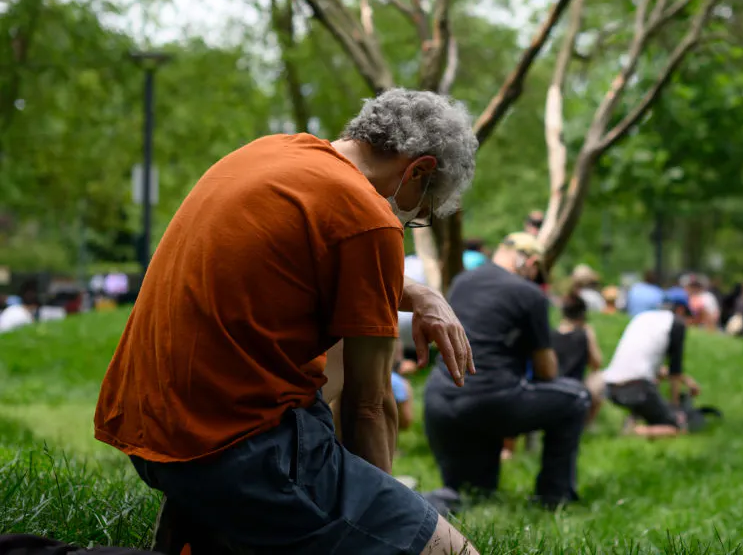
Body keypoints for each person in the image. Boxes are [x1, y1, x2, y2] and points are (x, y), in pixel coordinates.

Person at [93, 89, 480, 555]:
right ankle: (253, 507)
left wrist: (419, 292)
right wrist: (373, 521)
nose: (407, 220)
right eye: (420, 213)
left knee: (336, 356)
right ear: (419, 169)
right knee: (455, 553)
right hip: (232, 450)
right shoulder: (369, 215)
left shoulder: (270, 153)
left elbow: (322, 256)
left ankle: (205, 517)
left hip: (149, 431)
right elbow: (369, 406)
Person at [423, 232, 590, 509]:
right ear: (531, 263)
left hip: (440, 400)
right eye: (537, 274)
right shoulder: (529, 294)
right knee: (576, 397)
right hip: (491, 402)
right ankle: (554, 498)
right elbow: (547, 371)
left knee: (473, 495)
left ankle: (427, 502)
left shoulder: (462, 281)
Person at [599, 288, 701, 438]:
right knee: (676, 428)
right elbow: (675, 370)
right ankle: (633, 433)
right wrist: (675, 409)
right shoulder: (676, 324)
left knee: (650, 390)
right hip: (636, 388)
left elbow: (650, 365)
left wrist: (686, 381)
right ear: (680, 310)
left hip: (610, 386)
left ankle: (634, 420)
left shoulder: (644, 317)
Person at [552, 291, 605, 423]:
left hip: (551, 386)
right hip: (575, 387)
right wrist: (590, 335)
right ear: (582, 314)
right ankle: (587, 424)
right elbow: (597, 363)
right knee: (599, 378)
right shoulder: (583, 334)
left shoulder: (551, 335)